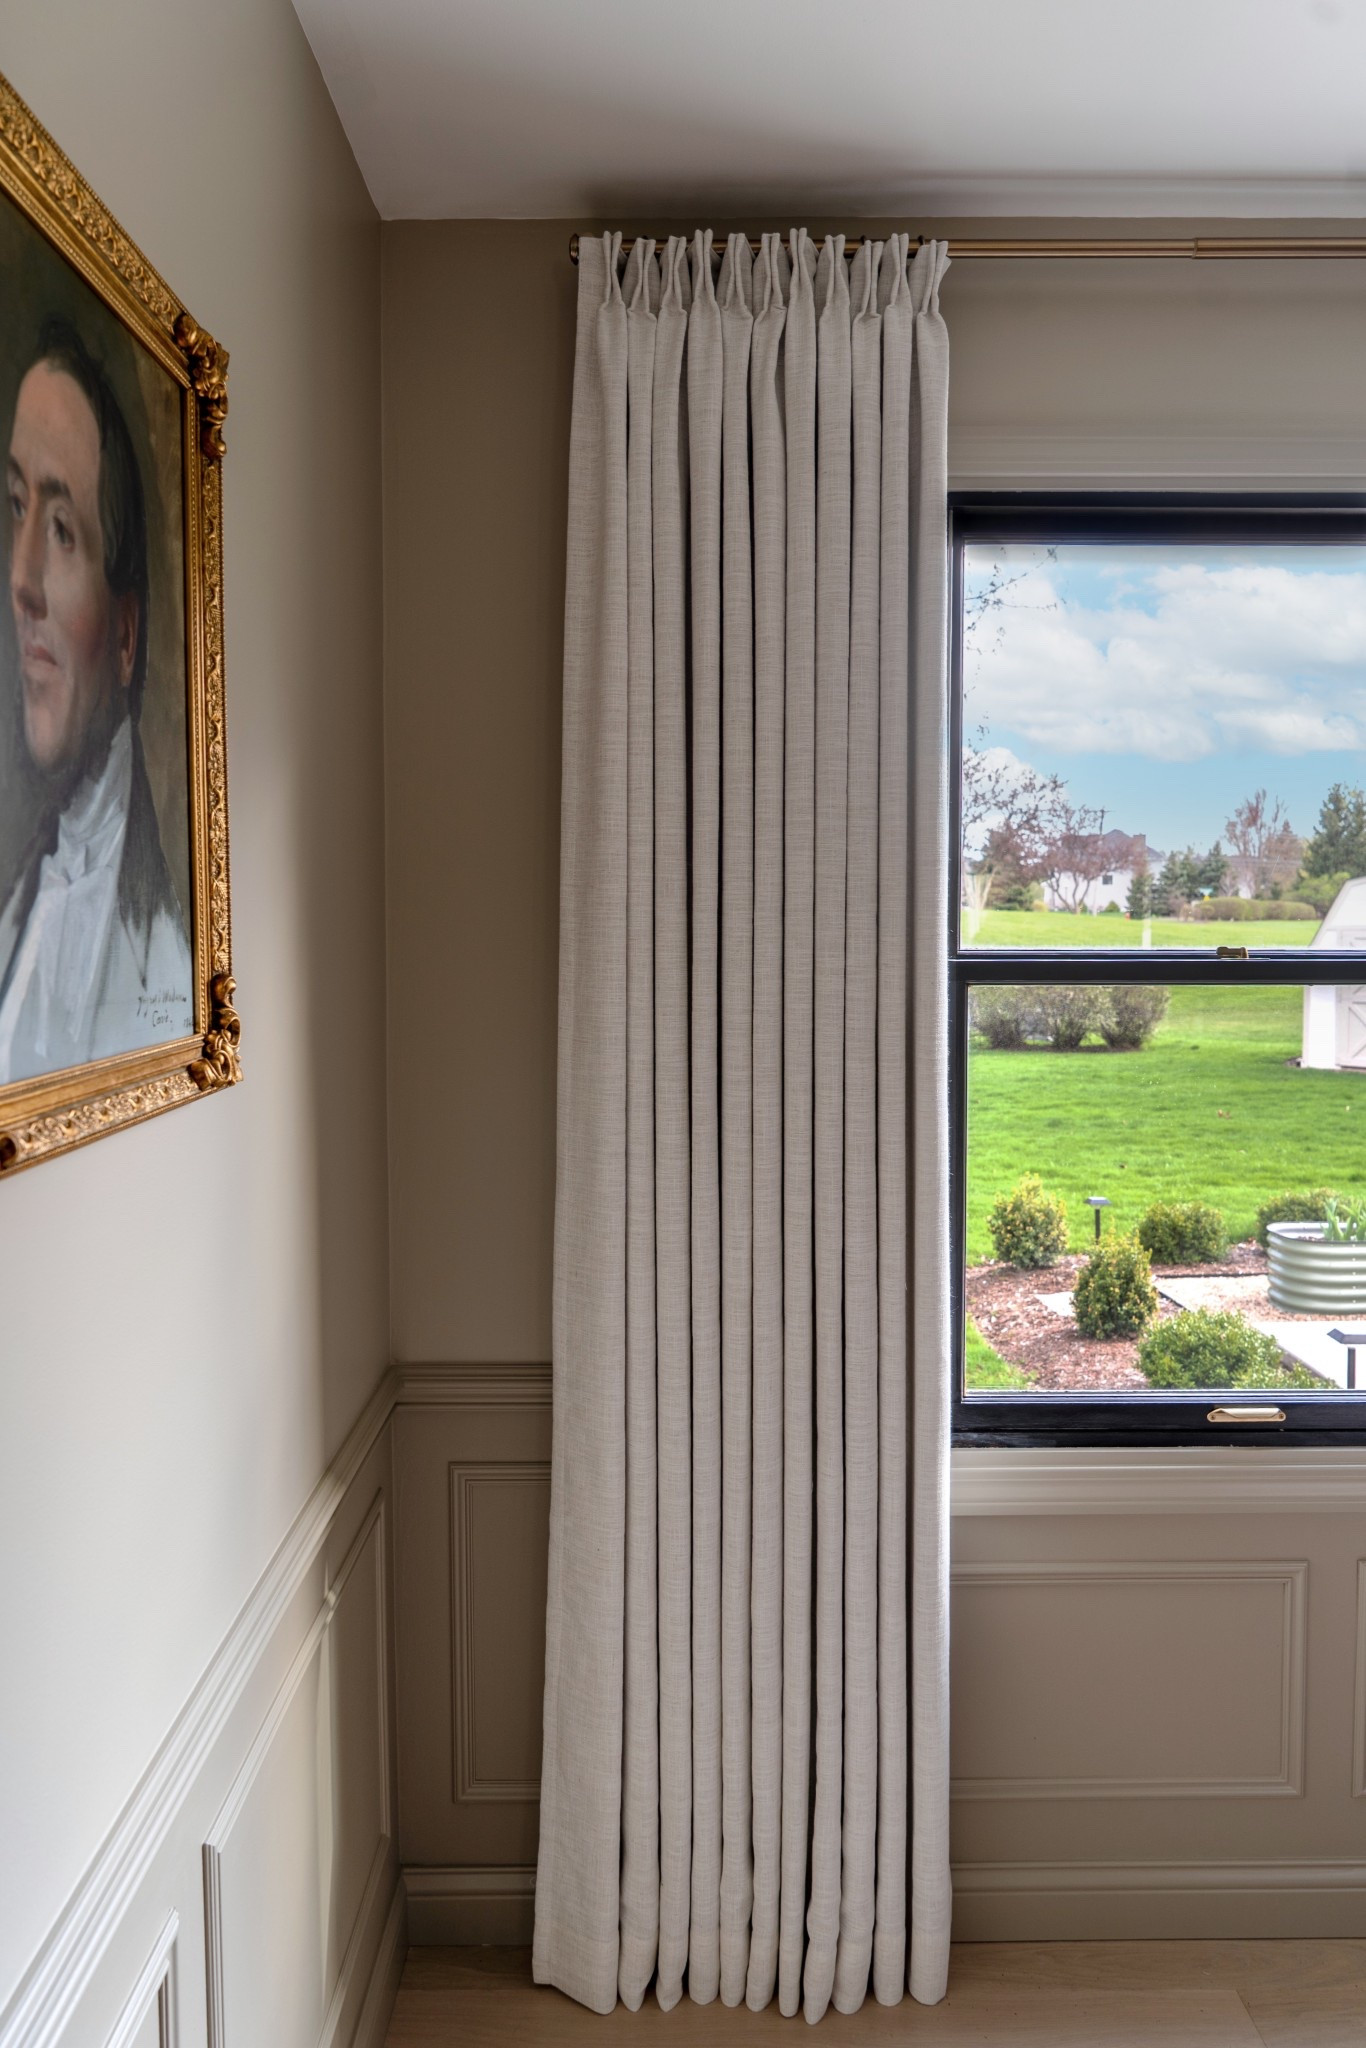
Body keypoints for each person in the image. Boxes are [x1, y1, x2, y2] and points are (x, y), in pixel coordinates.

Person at [0, 317, 192, 1085]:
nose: (21, 580)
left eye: (62, 529)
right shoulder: (20, 905)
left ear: (125, 634)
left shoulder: (166, 958)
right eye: (15, 507)